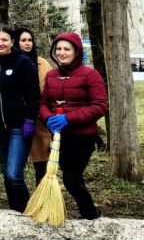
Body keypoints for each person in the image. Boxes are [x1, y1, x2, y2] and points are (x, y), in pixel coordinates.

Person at [40, 32, 107, 220]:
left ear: (76, 51)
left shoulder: (90, 75)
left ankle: (90, 215)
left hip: (83, 137)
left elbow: (100, 106)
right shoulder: (52, 75)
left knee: (70, 179)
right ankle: (90, 215)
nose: (62, 53)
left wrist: (68, 118)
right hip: (60, 137)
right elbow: (43, 104)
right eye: (58, 49)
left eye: (66, 49)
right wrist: (48, 118)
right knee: (75, 178)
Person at [0, 25, 40, 213]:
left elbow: (34, 95)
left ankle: (27, 211)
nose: (0, 43)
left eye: (4, 40)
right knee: (7, 173)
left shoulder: (23, 63)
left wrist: (30, 120)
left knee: (14, 174)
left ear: (12, 42)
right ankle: (16, 212)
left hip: (19, 127)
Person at [13, 27, 52, 184]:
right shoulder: (9, 63)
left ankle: (42, 197)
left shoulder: (42, 63)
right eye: (23, 40)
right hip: (16, 119)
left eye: (30, 40)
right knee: (15, 166)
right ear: (16, 42)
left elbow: (49, 88)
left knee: (42, 164)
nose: (27, 43)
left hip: (39, 120)